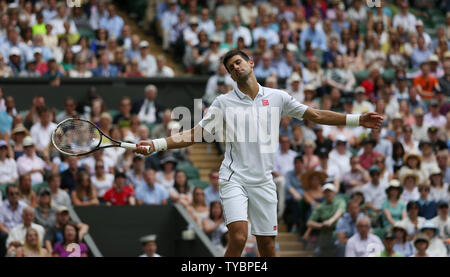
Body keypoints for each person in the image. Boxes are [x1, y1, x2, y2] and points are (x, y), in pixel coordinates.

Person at [134, 49, 384, 257]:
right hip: (234, 178)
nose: (236, 68)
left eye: (238, 62)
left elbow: (315, 115)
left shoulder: (278, 97)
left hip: (264, 181)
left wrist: (357, 119)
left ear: (251, 63)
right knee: (239, 237)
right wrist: (157, 144)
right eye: (231, 67)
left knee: (267, 246)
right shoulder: (223, 103)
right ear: (231, 76)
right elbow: (193, 134)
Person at [303, 183, 345, 256]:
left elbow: (340, 212)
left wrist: (330, 221)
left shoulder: (340, 201)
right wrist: (321, 225)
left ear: (334, 192)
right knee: (318, 252)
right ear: (323, 194)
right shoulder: (320, 206)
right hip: (325, 234)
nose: (328, 193)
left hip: (338, 232)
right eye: (326, 192)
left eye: (330, 191)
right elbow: (309, 222)